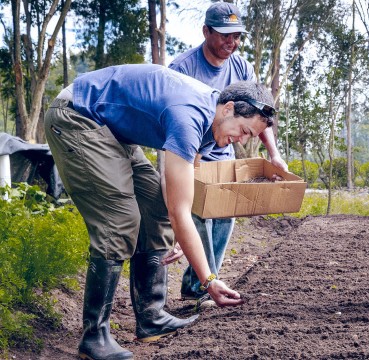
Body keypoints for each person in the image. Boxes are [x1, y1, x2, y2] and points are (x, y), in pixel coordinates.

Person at [44, 63, 276, 359]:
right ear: (229, 108)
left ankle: (151, 317)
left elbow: (176, 187)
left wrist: (179, 228)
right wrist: (208, 280)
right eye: (243, 131)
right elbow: (180, 212)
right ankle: (94, 336)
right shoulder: (189, 116)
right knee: (120, 219)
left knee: (154, 208)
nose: (241, 141)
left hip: (113, 130)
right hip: (77, 116)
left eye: (249, 137)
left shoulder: (212, 121)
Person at [164, 1, 288, 308]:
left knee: (224, 217)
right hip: (188, 149)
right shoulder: (184, 67)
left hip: (221, 150)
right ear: (206, 31)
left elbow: (257, 114)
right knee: (198, 215)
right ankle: (206, 285)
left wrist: (274, 153)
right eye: (223, 35)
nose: (230, 43)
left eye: (236, 36)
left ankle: (197, 284)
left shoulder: (241, 67)